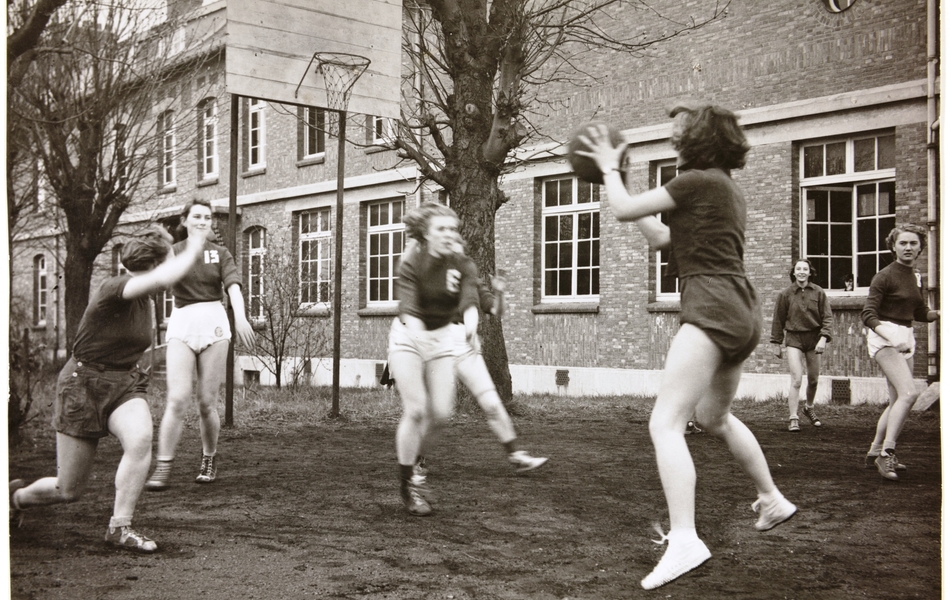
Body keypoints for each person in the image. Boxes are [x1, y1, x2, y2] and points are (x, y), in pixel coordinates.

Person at [577, 104, 796, 590]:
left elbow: (620, 209)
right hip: (740, 310)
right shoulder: (722, 189)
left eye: (679, 133)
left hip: (713, 305)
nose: (674, 138)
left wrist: (612, 170)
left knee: (665, 423)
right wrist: (626, 180)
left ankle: (684, 539)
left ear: (697, 140)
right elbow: (658, 236)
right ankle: (771, 498)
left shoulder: (696, 181)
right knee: (713, 418)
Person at [9, 226, 209, 552]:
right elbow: (162, 278)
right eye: (170, 253)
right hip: (83, 385)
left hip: (123, 383)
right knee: (68, 489)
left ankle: (120, 527)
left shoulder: (146, 298)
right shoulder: (116, 287)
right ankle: (15, 499)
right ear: (155, 264)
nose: (175, 257)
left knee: (141, 437)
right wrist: (195, 244)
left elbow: (168, 281)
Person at [408, 235, 548, 483]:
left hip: (465, 345)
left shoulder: (471, 280)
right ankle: (416, 460)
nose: (456, 253)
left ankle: (516, 455)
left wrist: (501, 293)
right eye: (450, 246)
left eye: (460, 249)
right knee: (439, 413)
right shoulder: (432, 276)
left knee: (492, 403)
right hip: (438, 344)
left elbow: (495, 310)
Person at [145, 199, 255, 490]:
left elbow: (232, 287)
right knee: (178, 398)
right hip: (182, 322)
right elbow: (158, 280)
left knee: (207, 402)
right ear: (185, 220)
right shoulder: (174, 252)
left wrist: (241, 317)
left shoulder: (221, 253)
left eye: (207, 217)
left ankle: (209, 457)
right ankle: (163, 464)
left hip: (214, 324)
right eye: (197, 216)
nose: (203, 221)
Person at [390, 202, 480, 516]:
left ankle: (415, 458)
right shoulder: (412, 262)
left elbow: (470, 298)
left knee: (441, 413)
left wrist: (470, 328)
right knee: (416, 410)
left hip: (441, 336)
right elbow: (410, 310)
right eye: (441, 229)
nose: (448, 234)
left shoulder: (462, 262)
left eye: (452, 229)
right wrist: (420, 344)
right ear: (426, 234)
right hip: (408, 336)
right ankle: (409, 483)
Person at [861, 224, 938, 480]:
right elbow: (868, 314)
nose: (908, 248)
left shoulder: (916, 276)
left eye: (913, 244)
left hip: (906, 337)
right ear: (893, 246)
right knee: (909, 393)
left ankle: (874, 451)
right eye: (903, 243)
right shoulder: (883, 276)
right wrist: (891, 336)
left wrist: (937, 314)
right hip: (884, 339)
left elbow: (918, 312)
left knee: (898, 401)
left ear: (920, 248)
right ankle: (886, 454)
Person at [770, 258, 832, 432]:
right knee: (796, 379)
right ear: (794, 272)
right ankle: (793, 417)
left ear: (810, 272)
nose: (802, 272)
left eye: (805, 269)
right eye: (799, 269)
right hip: (794, 339)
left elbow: (827, 317)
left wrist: (823, 338)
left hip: (814, 338)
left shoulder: (819, 292)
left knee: (813, 380)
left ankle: (809, 408)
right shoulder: (785, 294)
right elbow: (778, 319)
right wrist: (776, 342)